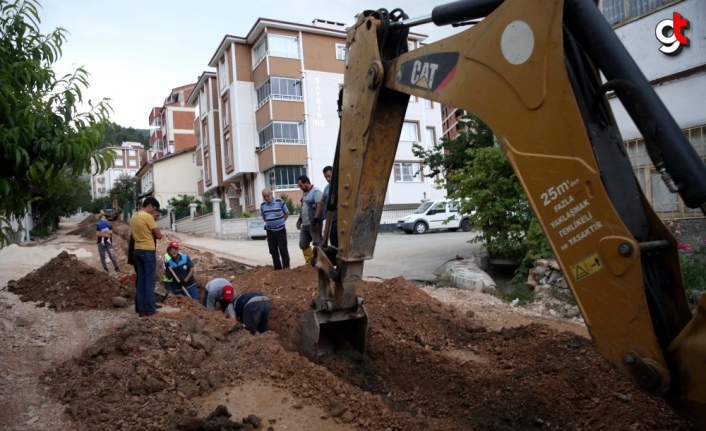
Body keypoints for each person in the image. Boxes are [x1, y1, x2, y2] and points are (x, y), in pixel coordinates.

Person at [129, 197, 162, 317]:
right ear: (149, 206)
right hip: (148, 250)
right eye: (153, 209)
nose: (153, 212)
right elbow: (158, 235)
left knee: (141, 281)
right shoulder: (147, 217)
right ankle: (151, 309)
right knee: (149, 281)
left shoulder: (133, 216)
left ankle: (142, 310)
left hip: (137, 250)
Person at [296, 174, 325, 265]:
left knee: (317, 243)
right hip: (305, 224)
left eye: (301, 185)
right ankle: (309, 262)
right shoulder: (304, 193)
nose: (300, 187)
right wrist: (300, 219)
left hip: (313, 223)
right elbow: (303, 206)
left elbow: (320, 205)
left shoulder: (316, 192)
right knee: (303, 244)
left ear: (306, 183)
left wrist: (316, 219)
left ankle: (319, 263)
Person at [260, 188, 290, 270]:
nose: (266, 198)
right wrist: (270, 223)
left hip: (280, 230)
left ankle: (286, 268)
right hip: (270, 231)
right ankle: (277, 268)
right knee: (273, 250)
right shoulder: (263, 205)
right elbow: (264, 217)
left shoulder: (279, 202)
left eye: (267, 196)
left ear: (271, 194)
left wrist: (282, 222)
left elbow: (287, 213)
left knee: (283, 250)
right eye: (264, 196)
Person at [322, 166, 339, 248]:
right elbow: (323, 202)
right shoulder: (326, 189)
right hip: (331, 220)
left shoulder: (341, 186)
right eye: (326, 177)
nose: (328, 179)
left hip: (340, 220)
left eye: (329, 176)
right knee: (333, 244)